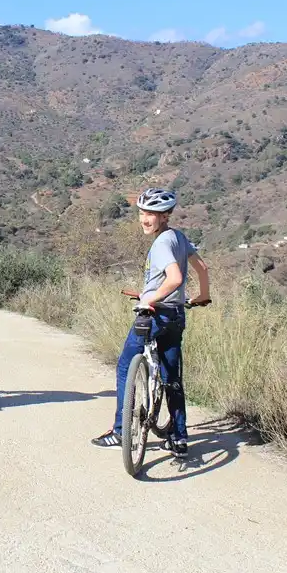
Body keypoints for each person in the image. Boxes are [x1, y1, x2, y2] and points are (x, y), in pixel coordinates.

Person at [91, 187, 210, 457]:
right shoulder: (178, 237)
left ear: (165, 216)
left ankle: (121, 431)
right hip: (176, 314)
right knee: (172, 378)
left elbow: (175, 279)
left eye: (152, 214)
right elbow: (202, 268)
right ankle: (179, 438)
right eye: (142, 213)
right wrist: (203, 296)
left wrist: (149, 300)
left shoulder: (161, 245)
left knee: (125, 366)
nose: (145, 219)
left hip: (156, 314)